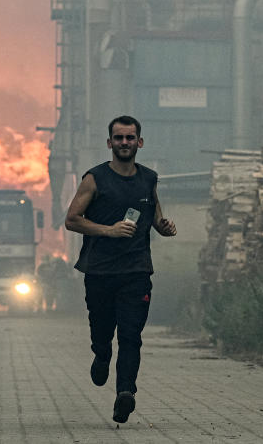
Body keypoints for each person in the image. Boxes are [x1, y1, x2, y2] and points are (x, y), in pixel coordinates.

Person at [65, 114, 177, 424]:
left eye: (130, 138)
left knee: (131, 335)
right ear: (109, 143)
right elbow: (72, 219)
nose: (124, 143)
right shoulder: (95, 178)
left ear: (139, 142)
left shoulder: (149, 178)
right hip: (100, 271)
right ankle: (101, 356)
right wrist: (108, 230)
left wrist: (164, 227)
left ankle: (125, 393)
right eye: (119, 138)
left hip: (136, 272)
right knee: (103, 331)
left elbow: (154, 214)